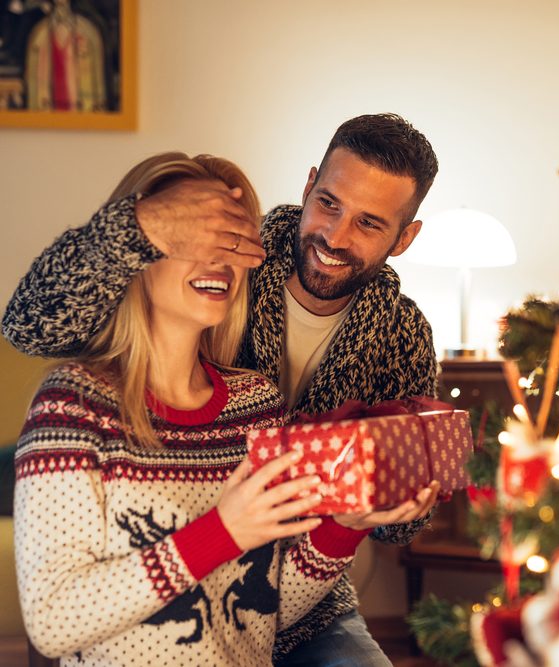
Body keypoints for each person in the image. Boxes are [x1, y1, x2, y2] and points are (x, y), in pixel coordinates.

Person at [3, 113, 441, 665]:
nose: (335, 236)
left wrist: (372, 506)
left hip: (293, 596)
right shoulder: (233, 254)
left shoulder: (393, 337)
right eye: (329, 203)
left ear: (404, 238)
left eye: (369, 223)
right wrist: (138, 227)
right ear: (308, 186)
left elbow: (276, 589)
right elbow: (30, 325)